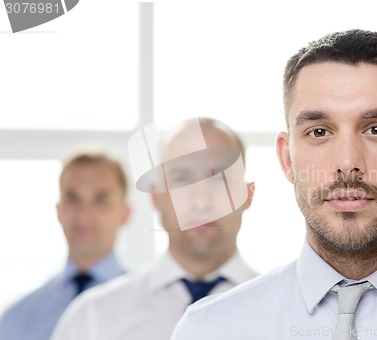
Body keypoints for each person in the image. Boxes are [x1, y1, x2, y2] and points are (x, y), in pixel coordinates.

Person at [171, 30, 377, 340]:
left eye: (376, 130)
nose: (347, 162)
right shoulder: (208, 330)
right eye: (319, 132)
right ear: (287, 159)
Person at [50, 117, 258, 340]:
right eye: (181, 179)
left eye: (220, 179)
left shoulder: (291, 313)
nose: (201, 201)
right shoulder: (90, 320)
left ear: (247, 195)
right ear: (156, 196)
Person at [0, 149, 131, 340]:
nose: (83, 216)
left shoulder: (158, 307)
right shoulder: (16, 319)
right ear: (59, 210)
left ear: (125, 213)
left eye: (101, 199)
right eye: (72, 198)